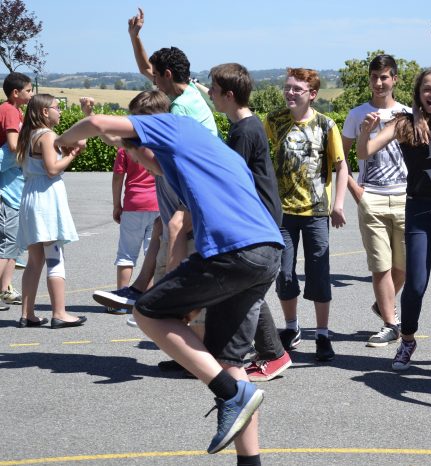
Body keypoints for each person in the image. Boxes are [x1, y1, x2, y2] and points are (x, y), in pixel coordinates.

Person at [55, 100, 283, 463]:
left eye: (136, 137)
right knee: (230, 364)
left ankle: (228, 393)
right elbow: (152, 163)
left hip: (233, 252)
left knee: (146, 311)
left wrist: (63, 141)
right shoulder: (205, 156)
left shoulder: (175, 126)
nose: (138, 154)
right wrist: (127, 145)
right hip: (266, 253)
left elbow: (97, 122)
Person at [93, 7, 217, 322]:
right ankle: (141, 289)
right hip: (184, 189)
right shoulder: (182, 93)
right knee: (162, 232)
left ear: (168, 75)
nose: (154, 81)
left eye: (157, 76)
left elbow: (160, 163)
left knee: (175, 241)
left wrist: (121, 140)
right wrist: (135, 37)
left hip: (192, 190)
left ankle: (165, 300)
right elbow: (146, 67)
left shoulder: (180, 110)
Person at [357, 66, 431, 370]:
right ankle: (407, 340)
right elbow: (364, 152)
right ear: (417, 93)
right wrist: (363, 132)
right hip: (420, 207)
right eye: (426, 88)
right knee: (415, 282)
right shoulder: (404, 123)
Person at [207, 62, 291, 382]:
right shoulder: (246, 125)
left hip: (259, 219)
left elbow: (233, 182)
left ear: (229, 95)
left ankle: (272, 353)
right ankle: (272, 352)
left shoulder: (244, 130)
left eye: (214, 90)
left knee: (246, 289)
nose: (211, 94)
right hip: (261, 216)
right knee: (247, 288)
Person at [265, 67, 348, 362]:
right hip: (283, 212)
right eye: (287, 87)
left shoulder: (326, 125)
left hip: (316, 212)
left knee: (318, 273)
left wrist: (338, 204)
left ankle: (323, 334)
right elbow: (261, 161)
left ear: (311, 95)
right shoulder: (274, 121)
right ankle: (291, 328)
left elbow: (341, 166)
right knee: (284, 273)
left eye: (296, 89)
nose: (289, 93)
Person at [341, 54, 408, 347]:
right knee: (380, 265)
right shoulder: (357, 114)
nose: (379, 83)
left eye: (384, 77)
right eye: (374, 77)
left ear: (394, 79)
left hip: (406, 197)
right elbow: (340, 156)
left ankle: (384, 303)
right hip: (372, 197)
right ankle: (390, 323)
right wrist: (355, 190)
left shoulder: (408, 113)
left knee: (404, 267)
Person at [80, 97, 159, 315]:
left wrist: (117, 204)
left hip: (134, 203)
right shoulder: (158, 142)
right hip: (157, 204)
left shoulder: (126, 145)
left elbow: (118, 177)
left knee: (126, 253)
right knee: (151, 254)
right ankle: (146, 302)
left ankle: (120, 300)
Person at [15, 95, 86, 329]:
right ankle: (59, 312)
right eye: (57, 108)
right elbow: (52, 169)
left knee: (35, 261)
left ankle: (27, 313)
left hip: (31, 195)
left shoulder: (29, 134)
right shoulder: (46, 135)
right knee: (55, 256)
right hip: (46, 197)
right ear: (45, 112)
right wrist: (71, 156)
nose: (61, 112)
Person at [0, 72, 33, 310]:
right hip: (7, 191)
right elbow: (13, 146)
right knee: (8, 242)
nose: (31, 94)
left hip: (11, 187)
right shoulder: (10, 111)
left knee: (11, 243)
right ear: (16, 93)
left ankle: (5, 287)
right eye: (29, 90)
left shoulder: (13, 110)